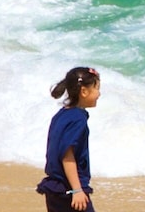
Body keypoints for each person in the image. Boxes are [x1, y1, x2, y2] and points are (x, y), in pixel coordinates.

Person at [39, 67, 101, 212]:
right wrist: (77, 190)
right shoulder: (77, 119)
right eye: (97, 88)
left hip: (56, 188)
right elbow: (67, 156)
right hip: (69, 189)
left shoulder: (62, 114)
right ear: (84, 92)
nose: (99, 94)